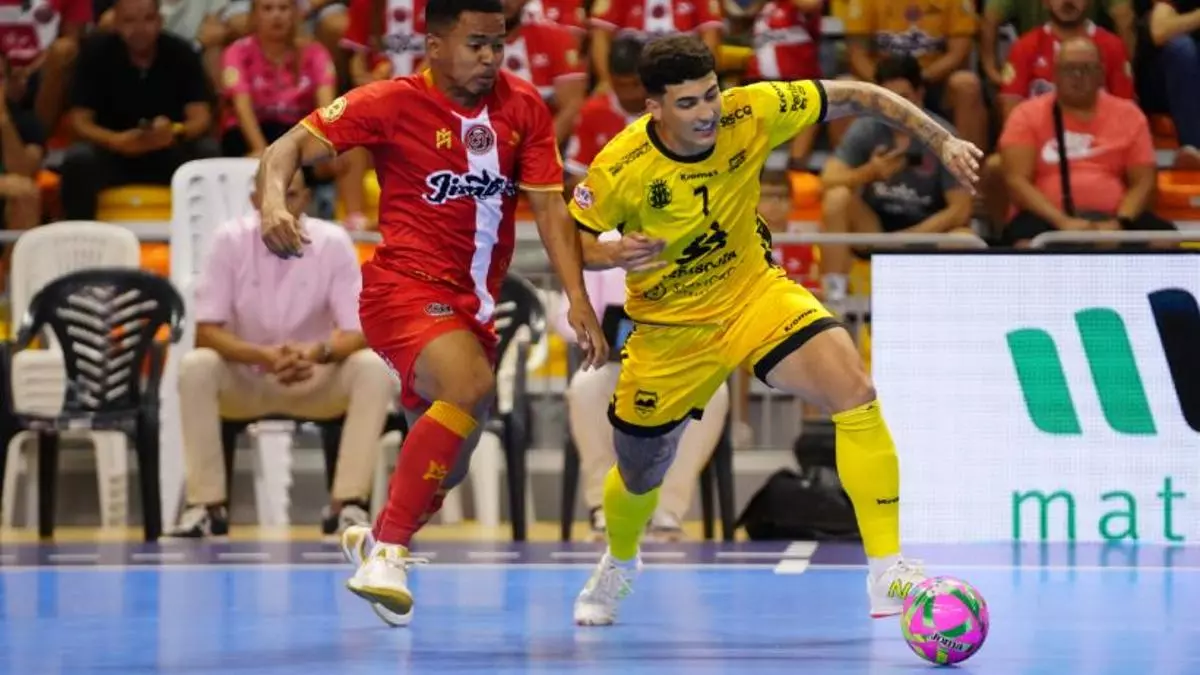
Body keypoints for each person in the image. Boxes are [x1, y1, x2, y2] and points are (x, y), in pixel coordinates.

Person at [567, 34, 981, 626]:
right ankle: (620, 560)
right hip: (671, 329)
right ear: (654, 107)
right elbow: (575, 239)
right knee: (640, 470)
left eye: (711, 94)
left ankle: (886, 571)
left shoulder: (752, 111)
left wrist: (941, 139)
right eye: (687, 103)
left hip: (753, 294)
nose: (707, 112)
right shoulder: (622, 166)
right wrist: (612, 253)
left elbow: (859, 94)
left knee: (854, 388)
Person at [254, 0, 607, 627]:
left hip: (473, 309)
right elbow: (286, 148)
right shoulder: (389, 102)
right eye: (475, 44)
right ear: (435, 46)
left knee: (451, 463)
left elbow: (550, 209)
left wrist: (577, 296)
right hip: (401, 290)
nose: (490, 57)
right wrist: (273, 205)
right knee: (469, 385)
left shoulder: (524, 106)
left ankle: (373, 537)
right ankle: (388, 554)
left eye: (497, 44)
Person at [167, 169, 396, 540]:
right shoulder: (228, 241)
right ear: (255, 200)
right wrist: (264, 356)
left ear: (306, 199)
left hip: (314, 378)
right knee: (196, 367)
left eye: (291, 194)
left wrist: (317, 352)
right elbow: (205, 333)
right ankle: (206, 508)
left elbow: (360, 332)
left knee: (372, 368)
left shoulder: (333, 242)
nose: (280, 205)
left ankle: (348, 505)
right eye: (271, 194)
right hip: (248, 380)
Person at [551, 232, 727, 542]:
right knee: (585, 387)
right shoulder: (600, 245)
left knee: (714, 392)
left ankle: (666, 512)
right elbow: (566, 321)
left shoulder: (699, 234)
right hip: (615, 366)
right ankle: (605, 509)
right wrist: (595, 328)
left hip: (679, 368)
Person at [998, 37, 1172, 247]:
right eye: (1069, 69)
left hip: (1114, 218)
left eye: (1086, 69)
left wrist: (1120, 223)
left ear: (1101, 74)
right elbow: (1017, 181)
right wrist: (1063, 222)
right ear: (1054, 74)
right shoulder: (1026, 115)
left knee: (1165, 241)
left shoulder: (1130, 115)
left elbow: (1144, 182)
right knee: (1025, 245)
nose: (1077, 76)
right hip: (1048, 218)